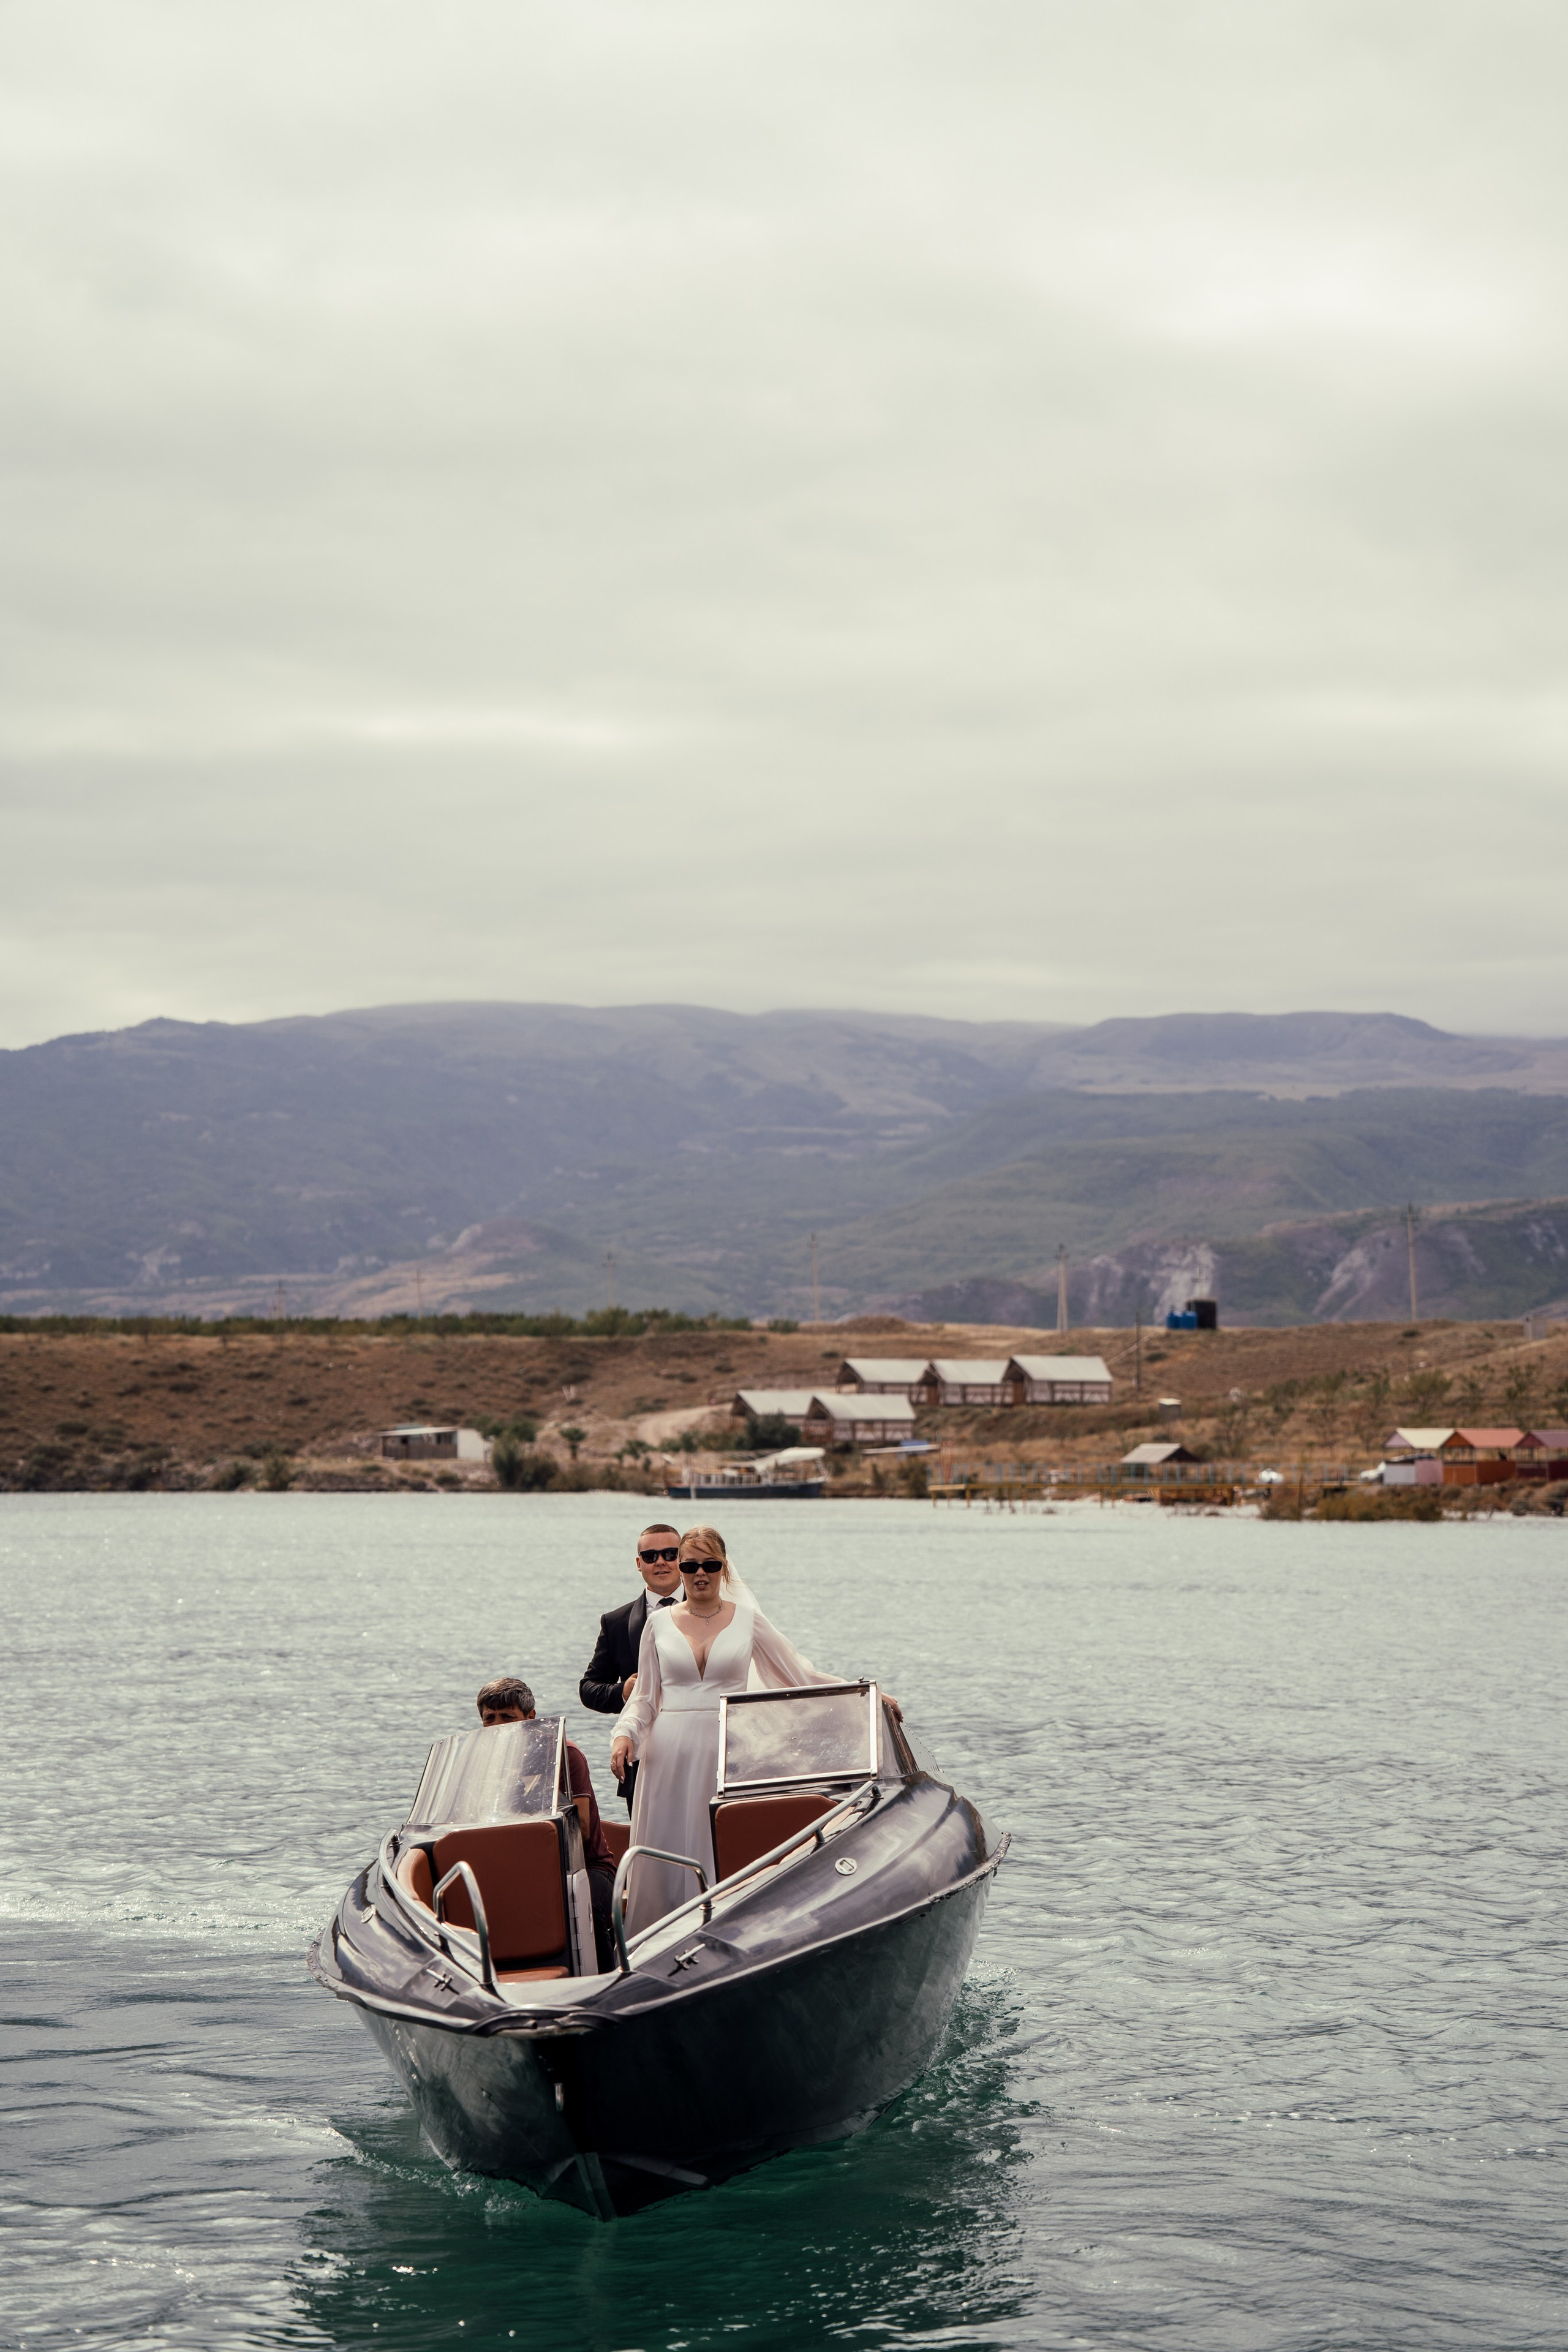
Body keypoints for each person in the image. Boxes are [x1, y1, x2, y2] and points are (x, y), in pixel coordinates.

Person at [608, 1526, 843, 1938]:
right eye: (691, 1565)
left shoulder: (750, 1622)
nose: (701, 1573)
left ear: (724, 1568)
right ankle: (655, 1940)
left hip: (728, 1754)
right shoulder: (658, 1624)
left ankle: (725, 1934)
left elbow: (799, 1677)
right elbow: (645, 1697)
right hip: (667, 1755)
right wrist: (624, 1734)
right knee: (665, 1848)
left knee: (721, 1841)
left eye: (710, 1565)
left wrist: (863, 1695)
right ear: (680, 1570)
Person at [475, 1676, 618, 1972]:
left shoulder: (565, 1754)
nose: (498, 1726)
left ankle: (607, 1983)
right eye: (490, 1719)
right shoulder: (487, 1764)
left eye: (508, 1717)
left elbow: (584, 1829)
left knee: (584, 1903)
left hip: (586, 1867)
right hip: (526, 1867)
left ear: (531, 1718)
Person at [578, 1523, 685, 1809]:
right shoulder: (615, 1622)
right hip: (641, 1759)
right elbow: (588, 1689)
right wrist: (623, 1692)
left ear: (683, 1557)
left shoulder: (712, 1612)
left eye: (670, 1554)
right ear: (639, 1564)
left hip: (699, 1751)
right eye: (650, 1556)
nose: (660, 1561)